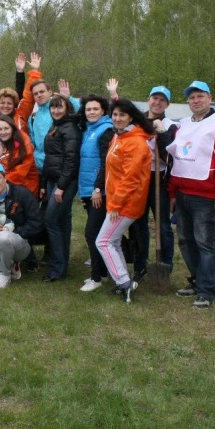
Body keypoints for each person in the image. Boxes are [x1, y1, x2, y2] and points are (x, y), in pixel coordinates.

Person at [168, 81, 215, 308]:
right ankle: (197, 280)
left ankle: (207, 290)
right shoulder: (183, 125)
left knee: (206, 243)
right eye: (191, 98)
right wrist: (172, 193)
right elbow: (175, 159)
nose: (195, 101)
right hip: (182, 194)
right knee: (185, 241)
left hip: (206, 197)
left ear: (210, 98)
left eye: (200, 96)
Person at [95, 99, 155, 302]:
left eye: (122, 115)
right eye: (115, 114)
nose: (117, 118)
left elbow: (130, 179)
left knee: (102, 241)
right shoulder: (120, 137)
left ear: (131, 117)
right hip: (118, 200)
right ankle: (124, 282)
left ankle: (124, 282)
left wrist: (115, 204)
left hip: (126, 203)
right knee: (114, 242)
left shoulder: (136, 142)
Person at [128, 86, 180, 283]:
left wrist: (162, 132)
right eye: (154, 98)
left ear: (167, 104)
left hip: (159, 180)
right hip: (139, 180)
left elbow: (171, 156)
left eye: (162, 100)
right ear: (148, 100)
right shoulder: (136, 123)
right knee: (139, 225)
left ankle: (165, 265)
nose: (157, 103)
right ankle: (140, 266)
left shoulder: (170, 125)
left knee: (163, 226)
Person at [40, 94, 81, 282]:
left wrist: (61, 187)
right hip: (52, 181)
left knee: (51, 221)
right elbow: (50, 158)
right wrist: (44, 183)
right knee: (63, 222)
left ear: (67, 108)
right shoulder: (56, 126)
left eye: (59, 107)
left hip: (63, 183)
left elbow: (71, 161)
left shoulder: (70, 128)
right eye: (53, 108)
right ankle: (62, 265)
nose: (56, 111)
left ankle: (57, 268)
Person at [77, 95, 116, 292]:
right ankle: (102, 272)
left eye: (95, 109)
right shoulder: (88, 130)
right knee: (98, 233)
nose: (91, 112)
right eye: (88, 109)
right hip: (87, 189)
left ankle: (96, 278)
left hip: (98, 191)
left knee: (92, 233)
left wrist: (98, 189)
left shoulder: (106, 131)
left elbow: (105, 163)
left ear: (103, 111)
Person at [28, 78, 81, 174]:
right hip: (40, 169)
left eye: (42, 91)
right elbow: (32, 142)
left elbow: (81, 114)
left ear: (50, 92)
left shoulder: (59, 112)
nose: (39, 95)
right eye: (36, 94)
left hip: (60, 169)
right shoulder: (33, 117)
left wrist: (68, 98)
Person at [0, 116, 40, 197]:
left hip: (27, 186)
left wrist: (0, 182)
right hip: (7, 184)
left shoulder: (25, 144)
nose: (3, 132)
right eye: (0, 129)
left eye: (6, 128)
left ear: (12, 128)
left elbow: (20, 173)